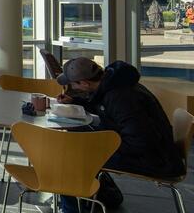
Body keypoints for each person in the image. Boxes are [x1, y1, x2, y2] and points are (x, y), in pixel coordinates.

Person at [56, 58, 185, 212]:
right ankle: (105, 197)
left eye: (73, 84)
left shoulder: (121, 98)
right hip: (157, 152)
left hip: (155, 160)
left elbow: (140, 142)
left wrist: (99, 145)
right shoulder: (116, 84)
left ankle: (73, 209)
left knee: (71, 156)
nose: (71, 87)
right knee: (79, 142)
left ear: (84, 83)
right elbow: (105, 106)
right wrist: (77, 101)